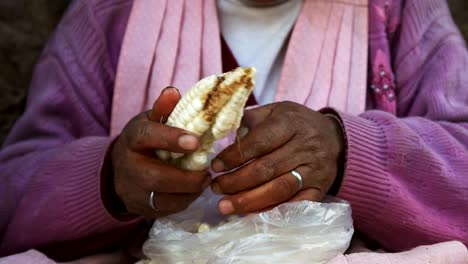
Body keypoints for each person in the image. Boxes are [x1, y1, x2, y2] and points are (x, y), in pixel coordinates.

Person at [0, 0, 467, 262]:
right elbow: (12, 190)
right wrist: (110, 181)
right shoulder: (107, 15)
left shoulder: (401, 12)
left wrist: (347, 151)